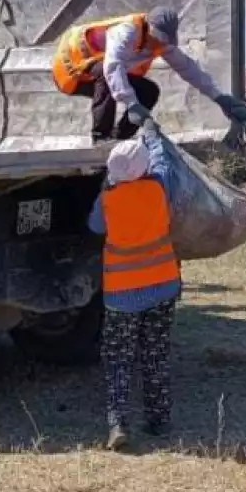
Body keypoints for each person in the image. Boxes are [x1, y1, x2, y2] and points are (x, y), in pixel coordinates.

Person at [87, 118, 181, 450]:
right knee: (155, 354)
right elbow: (160, 159)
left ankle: (118, 424)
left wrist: (106, 187)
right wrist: (151, 131)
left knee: (119, 358)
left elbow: (95, 227)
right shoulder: (159, 188)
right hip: (163, 286)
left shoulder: (108, 200)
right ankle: (159, 420)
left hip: (122, 295)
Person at [52, 6, 246, 143]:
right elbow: (112, 67)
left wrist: (221, 98)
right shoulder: (126, 32)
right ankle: (100, 138)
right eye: (157, 39)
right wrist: (131, 104)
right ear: (148, 28)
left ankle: (118, 139)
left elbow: (190, 70)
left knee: (149, 91)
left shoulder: (162, 45)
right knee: (107, 74)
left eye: (163, 41)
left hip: (97, 72)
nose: (158, 45)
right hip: (72, 72)